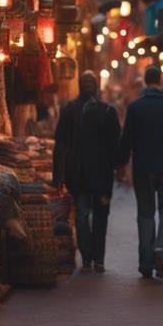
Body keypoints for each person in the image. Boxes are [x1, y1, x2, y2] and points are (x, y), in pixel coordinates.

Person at [119, 66, 163, 279]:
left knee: (145, 215)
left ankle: (146, 263)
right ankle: (161, 247)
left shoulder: (135, 107)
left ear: (145, 82)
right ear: (159, 81)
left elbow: (127, 140)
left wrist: (121, 164)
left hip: (144, 170)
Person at [53, 71, 121, 272]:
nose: (88, 84)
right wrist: (59, 173)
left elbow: (115, 144)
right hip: (79, 175)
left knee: (101, 217)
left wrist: (118, 165)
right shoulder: (70, 110)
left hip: (102, 176)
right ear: (80, 85)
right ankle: (87, 255)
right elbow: (61, 144)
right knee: (82, 217)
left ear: (97, 84)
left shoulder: (108, 111)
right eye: (85, 82)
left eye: (92, 81)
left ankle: (98, 258)